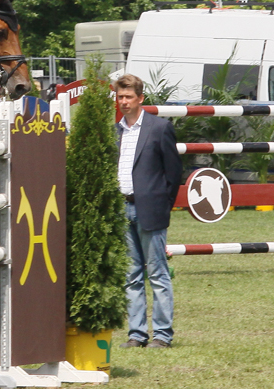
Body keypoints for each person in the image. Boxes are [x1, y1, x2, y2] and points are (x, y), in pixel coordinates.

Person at [115, 74, 182, 349]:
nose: (124, 102)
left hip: (151, 209)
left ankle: (163, 335)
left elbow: (175, 172)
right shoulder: (115, 130)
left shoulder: (159, 128)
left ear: (141, 98)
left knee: (157, 274)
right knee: (131, 275)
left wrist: (163, 205)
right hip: (122, 208)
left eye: (129, 97)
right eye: (120, 97)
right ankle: (137, 334)